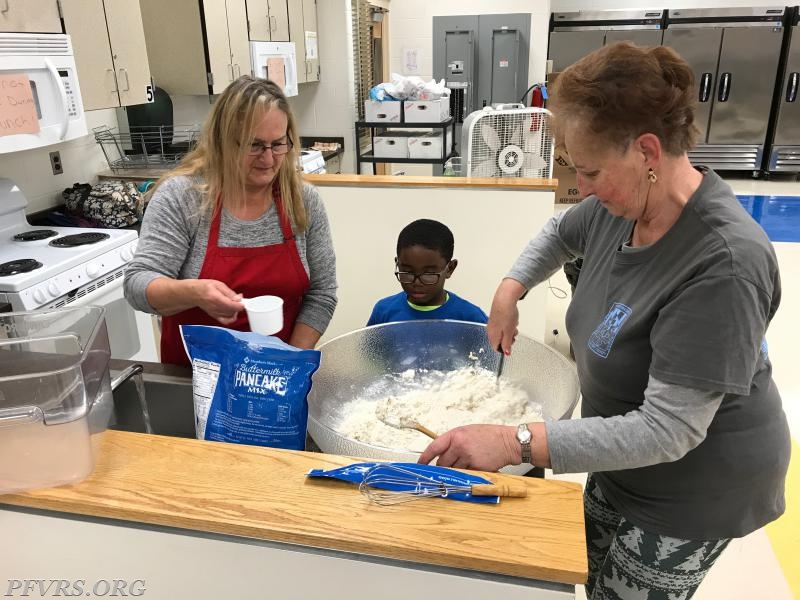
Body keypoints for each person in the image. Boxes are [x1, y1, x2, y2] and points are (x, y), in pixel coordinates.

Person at [419, 42, 790, 600]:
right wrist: (509, 289)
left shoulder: (724, 264)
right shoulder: (626, 202)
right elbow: (561, 232)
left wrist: (513, 440)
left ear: (647, 151)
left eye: (590, 172)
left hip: (693, 487)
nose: (583, 190)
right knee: (587, 576)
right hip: (622, 460)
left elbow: (669, 429)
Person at [124, 76, 337, 365]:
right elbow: (138, 285)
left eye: (278, 144)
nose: (269, 158)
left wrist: (289, 362)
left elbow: (322, 295)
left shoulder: (301, 200)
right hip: (196, 380)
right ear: (222, 141)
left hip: (278, 374)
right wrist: (194, 293)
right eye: (255, 145)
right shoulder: (183, 198)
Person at [366, 218, 487, 326]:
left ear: (450, 268)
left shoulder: (471, 319)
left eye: (429, 274)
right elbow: (368, 351)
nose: (417, 283)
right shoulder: (383, 312)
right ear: (398, 264)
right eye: (407, 272)